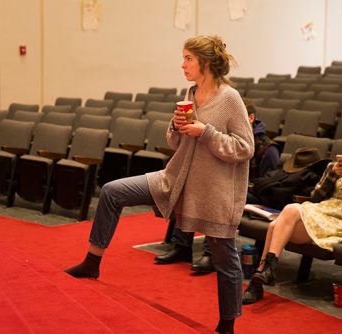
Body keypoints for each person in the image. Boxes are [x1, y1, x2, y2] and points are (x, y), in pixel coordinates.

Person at [64, 35, 254, 334]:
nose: (182, 64)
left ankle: (227, 324)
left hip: (212, 190)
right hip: (175, 177)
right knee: (113, 192)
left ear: (204, 62)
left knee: (224, 256)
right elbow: (175, 141)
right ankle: (91, 261)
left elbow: (245, 148)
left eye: (188, 58)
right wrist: (176, 126)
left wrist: (206, 132)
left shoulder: (230, 98)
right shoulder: (190, 92)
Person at [154, 98, 280, 275]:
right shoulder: (226, 137)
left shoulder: (267, 148)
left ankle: (210, 253)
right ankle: (182, 245)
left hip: (253, 193)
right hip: (227, 184)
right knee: (190, 187)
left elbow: (269, 184)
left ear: (250, 118)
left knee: (216, 194)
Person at [242, 158, 342, 304]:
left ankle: (258, 281)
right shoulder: (333, 166)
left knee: (276, 224)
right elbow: (316, 198)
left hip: (337, 219)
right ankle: (265, 272)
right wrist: (332, 176)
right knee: (277, 223)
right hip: (322, 210)